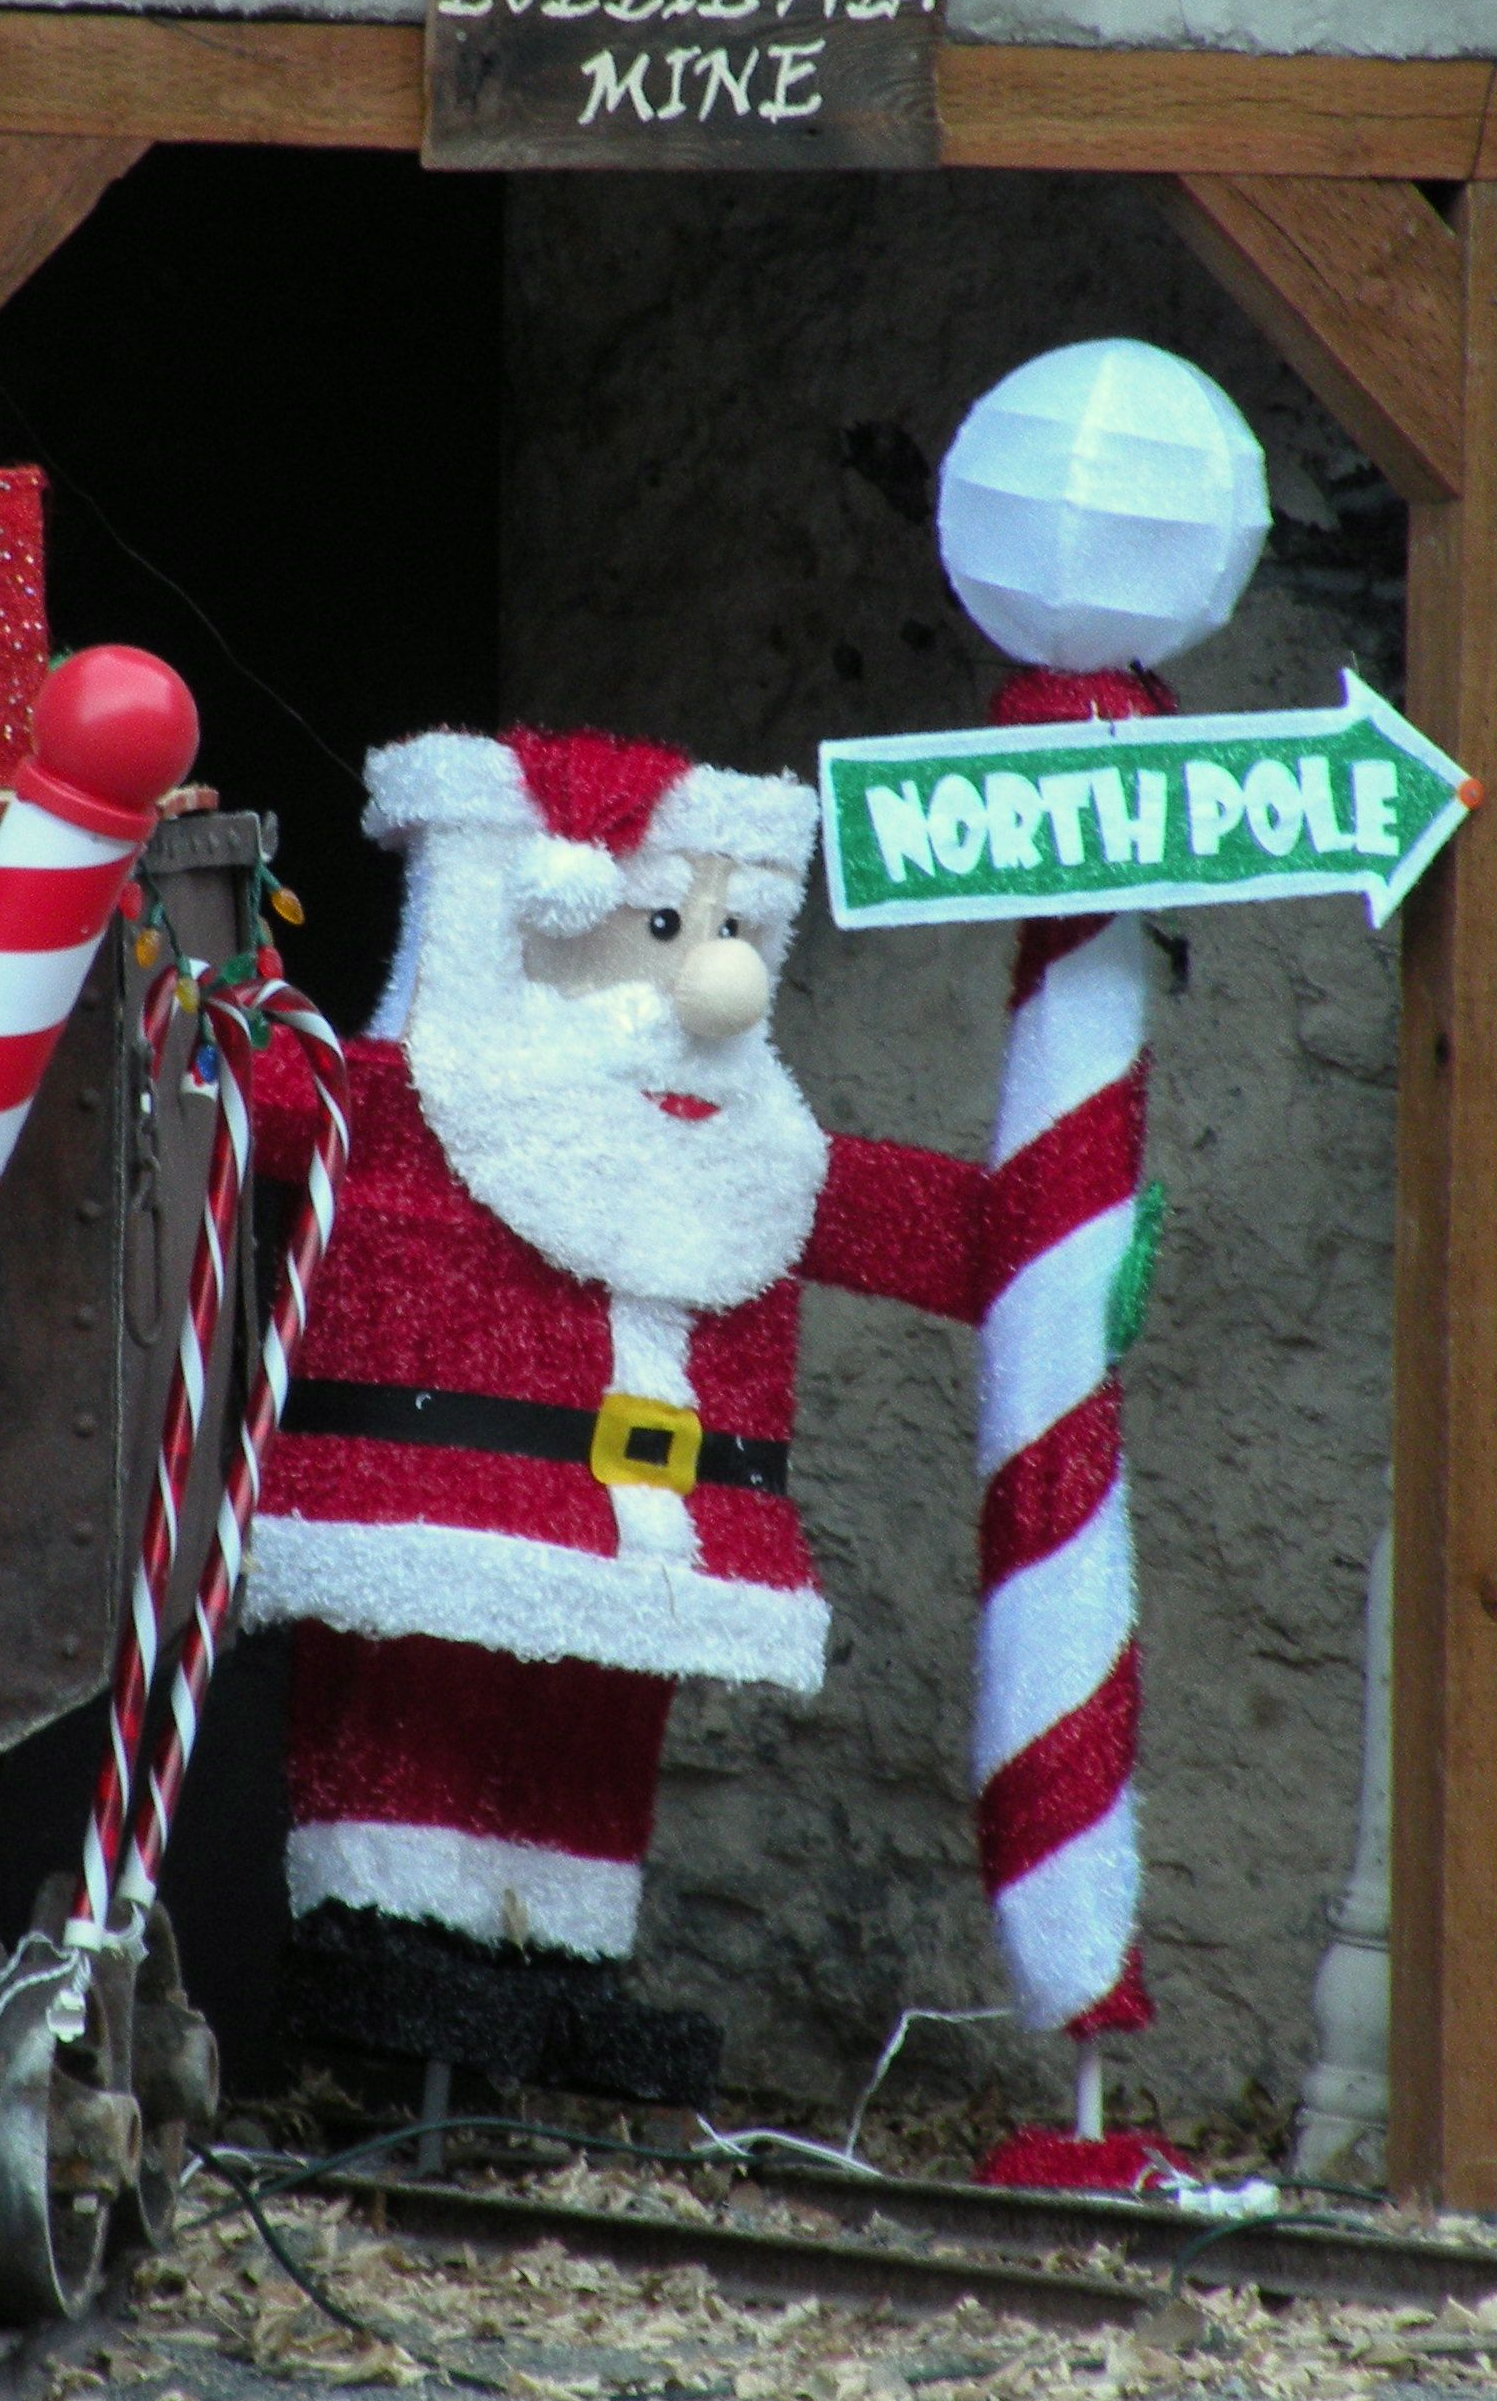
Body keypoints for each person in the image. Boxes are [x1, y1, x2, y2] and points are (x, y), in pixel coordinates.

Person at [242, 726, 989, 2103]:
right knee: (419, 1729)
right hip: (437, 1522)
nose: (711, 977)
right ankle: (393, 1962)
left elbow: (923, 1227)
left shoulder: (764, 1149)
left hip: (655, 1549)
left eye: (735, 928)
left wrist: (1050, 1249)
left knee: (594, 1747)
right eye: (664, 921)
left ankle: (565, 1972)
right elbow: (224, 1100)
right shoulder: (416, 1099)